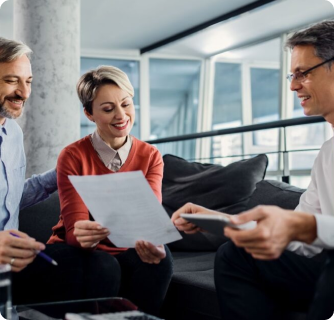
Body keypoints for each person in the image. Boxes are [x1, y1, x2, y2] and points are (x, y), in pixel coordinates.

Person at [172, 20, 334, 320]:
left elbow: (306, 229)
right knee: (236, 255)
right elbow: (299, 240)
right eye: (292, 75)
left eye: (303, 73)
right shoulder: (327, 154)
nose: (293, 85)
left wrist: (306, 227)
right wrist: (221, 221)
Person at [0, 37, 119, 307]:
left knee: (100, 266)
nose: (24, 93)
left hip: (13, 266)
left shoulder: (13, 134)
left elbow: (11, 197)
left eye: (28, 81)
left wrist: (65, 172)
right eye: (11, 80)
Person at [47, 65, 173, 316]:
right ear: (89, 114)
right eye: (108, 109)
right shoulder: (72, 155)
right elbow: (74, 230)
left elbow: (148, 218)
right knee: (103, 267)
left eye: (126, 104)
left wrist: (155, 239)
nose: (121, 115)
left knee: (161, 261)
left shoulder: (150, 156)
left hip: (127, 244)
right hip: (74, 247)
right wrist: (86, 237)